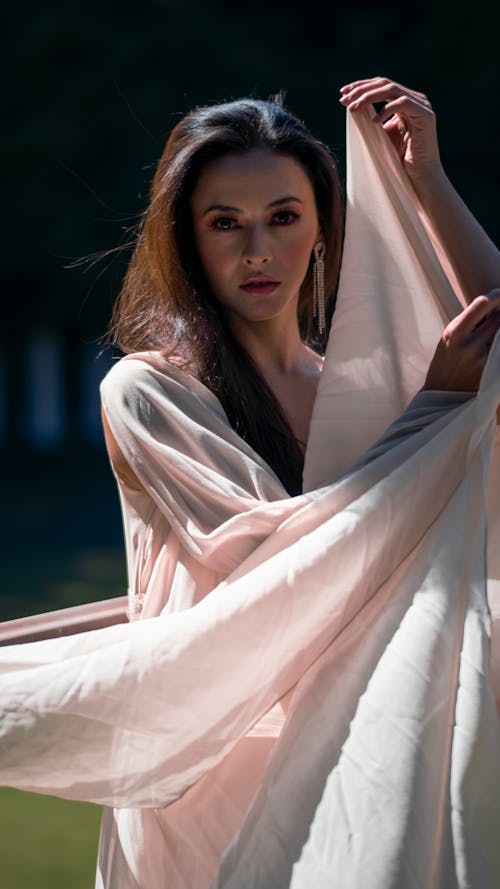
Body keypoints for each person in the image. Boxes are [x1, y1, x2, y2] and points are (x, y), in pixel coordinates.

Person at [1, 77, 499, 888]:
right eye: (224, 223)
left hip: (353, 744)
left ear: (323, 226)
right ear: (186, 238)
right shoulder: (148, 391)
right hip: (211, 771)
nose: (258, 250)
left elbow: (494, 336)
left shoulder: (367, 388)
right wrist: (434, 411)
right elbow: (272, 558)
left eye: (284, 217)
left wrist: (424, 181)